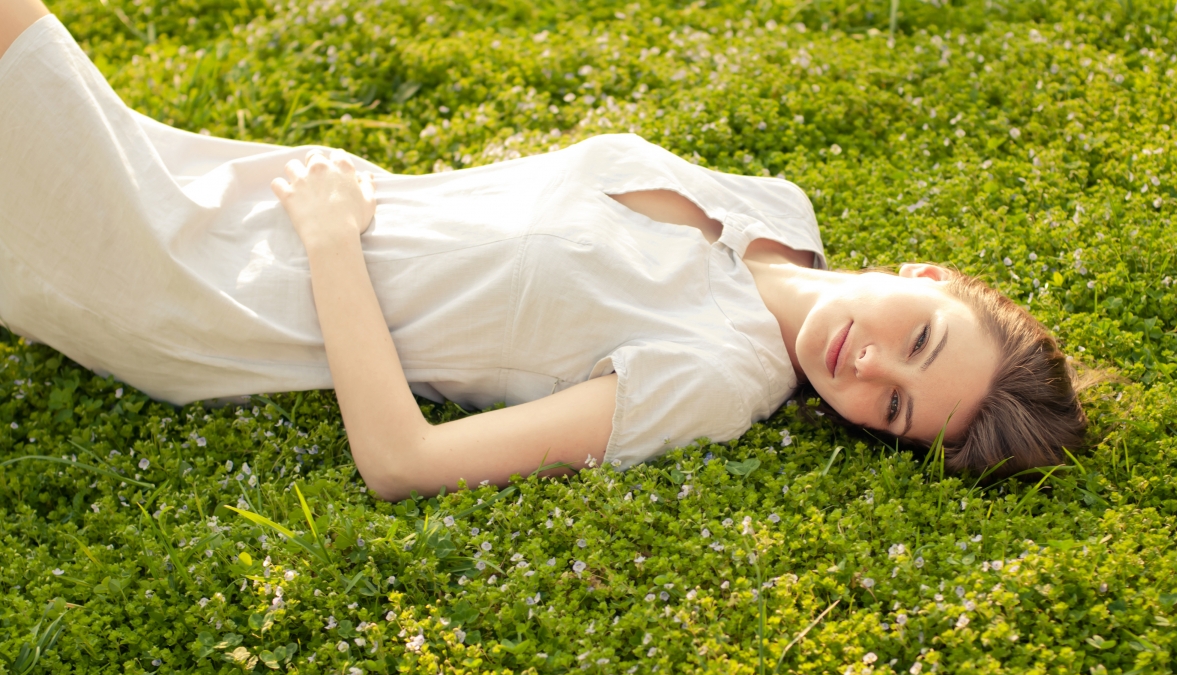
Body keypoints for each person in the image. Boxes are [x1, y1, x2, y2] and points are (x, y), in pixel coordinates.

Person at [0, 0, 1088, 501]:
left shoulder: (716, 377)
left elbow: (404, 462)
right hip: (245, 187)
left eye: (893, 408)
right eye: (921, 340)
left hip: (211, 290)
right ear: (932, 279)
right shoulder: (774, 212)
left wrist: (331, 242)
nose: (870, 367)